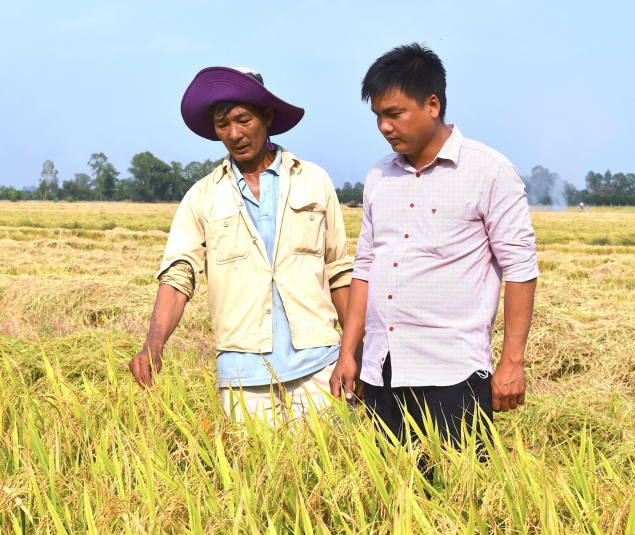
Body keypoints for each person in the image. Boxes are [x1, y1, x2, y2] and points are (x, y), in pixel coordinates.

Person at [330, 44, 539, 451]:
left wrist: (512, 361)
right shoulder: (378, 175)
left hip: (453, 375)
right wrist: (348, 353)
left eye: (394, 114)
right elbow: (364, 267)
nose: (384, 127)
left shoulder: (489, 171)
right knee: (385, 498)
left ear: (432, 104)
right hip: (381, 371)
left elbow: (520, 268)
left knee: (459, 502)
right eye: (378, 117)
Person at [128, 66, 357, 424]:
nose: (234, 133)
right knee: (250, 476)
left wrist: (355, 353)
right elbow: (178, 275)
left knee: (329, 473)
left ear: (266, 116)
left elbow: (338, 270)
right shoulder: (202, 196)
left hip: (318, 366)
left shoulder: (313, 181)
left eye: (243, 119)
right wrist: (153, 343)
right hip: (243, 376)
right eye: (223, 124)